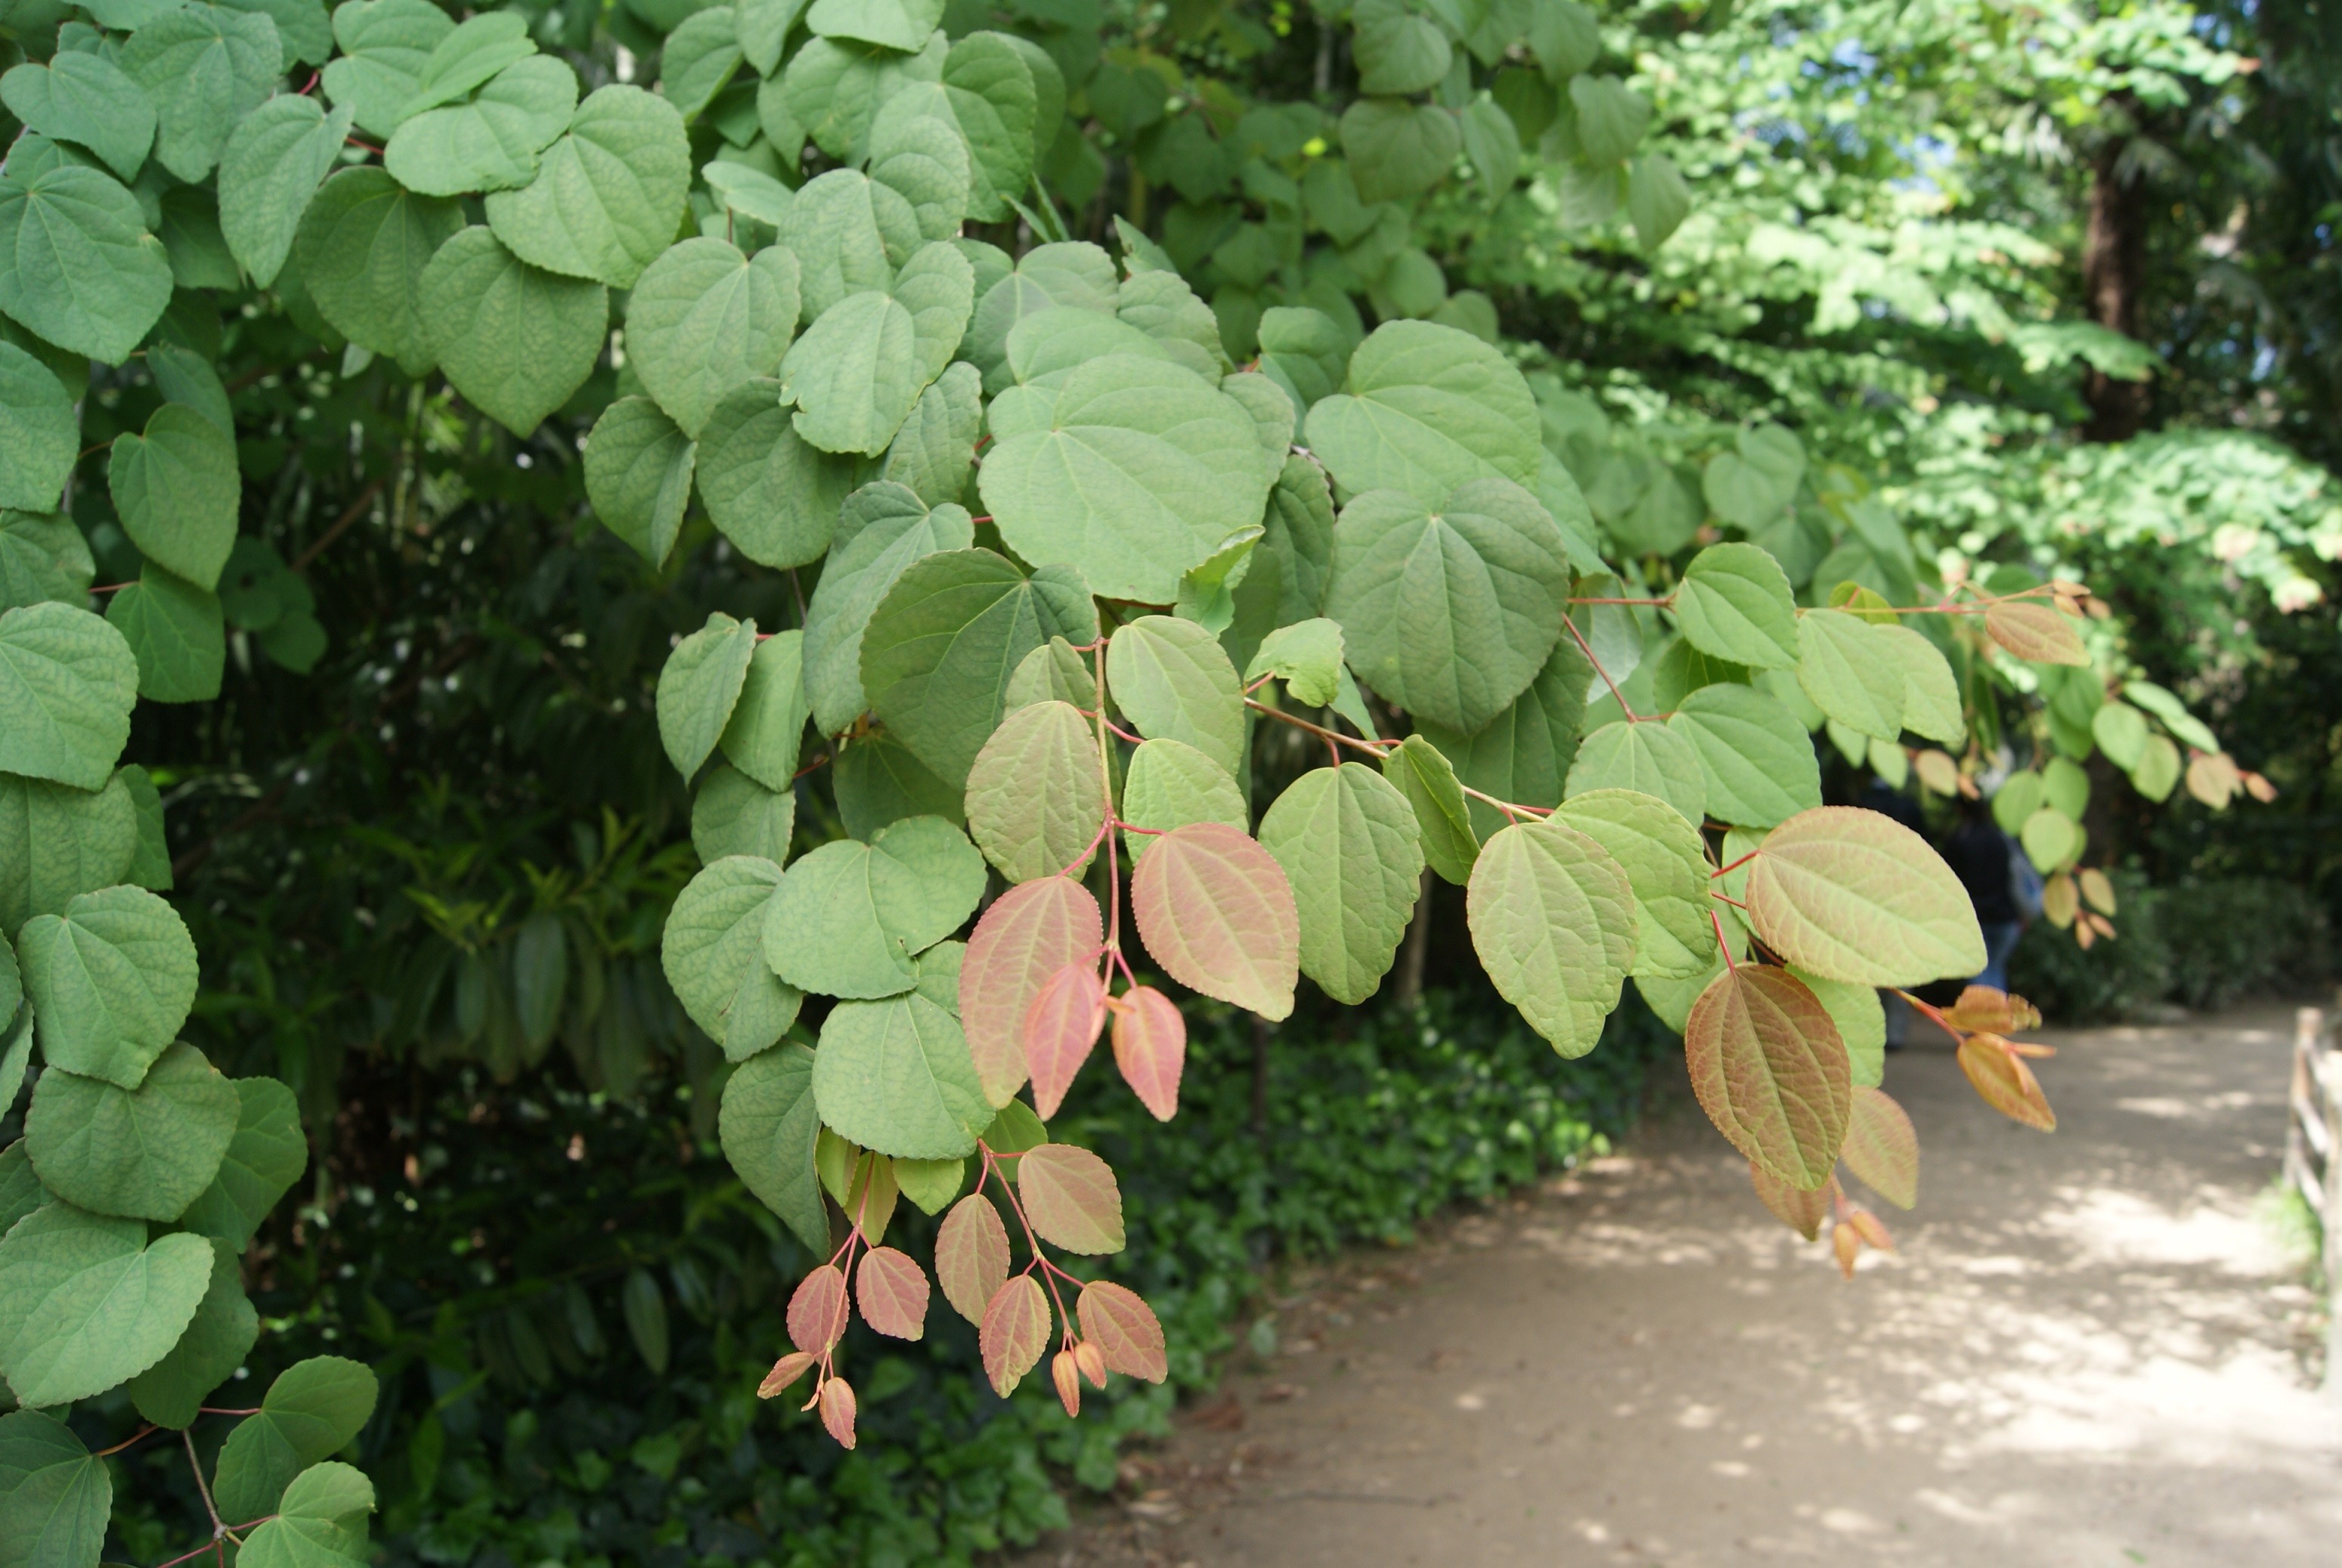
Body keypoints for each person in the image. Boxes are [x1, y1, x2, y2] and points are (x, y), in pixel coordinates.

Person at [1943, 792, 2028, 993]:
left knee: (1979, 975)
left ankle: (1984, 1023)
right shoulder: (2000, 838)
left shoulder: (1959, 841)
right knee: (1996, 971)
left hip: (1975, 919)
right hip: (2005, 918)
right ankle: (1999, 1020)